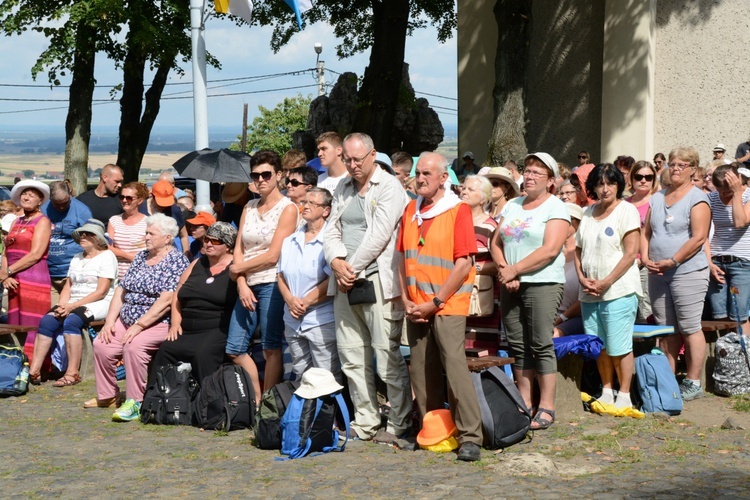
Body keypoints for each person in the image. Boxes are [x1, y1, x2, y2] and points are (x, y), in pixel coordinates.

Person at [323, 132, 412, 442]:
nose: (352, 165)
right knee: (351, 355)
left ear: (373, 155)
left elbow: (379, 234)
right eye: (347, 159)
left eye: (357, 159)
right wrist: (336, 263)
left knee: (386, 355)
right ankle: (365, 419)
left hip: (377, 279)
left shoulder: (389, 187)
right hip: (344, 282)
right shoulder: (343, 188)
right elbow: (330, 230)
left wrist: (351, 268)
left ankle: (398, 422)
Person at [399, 152, 482, 461]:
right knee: (421, 370)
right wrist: (406, 298)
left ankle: (470, 436)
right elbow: (402, 257)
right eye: (418, 173)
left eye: (427, 174)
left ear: (444, 178)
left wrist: (435, 302)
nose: (420, 178)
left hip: (447, 302)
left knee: (454, 365)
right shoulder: (410, 209)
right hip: (416, 304)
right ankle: (430, 430)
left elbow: (463, 264)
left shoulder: (458, 210)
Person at [490, 152, 570, 430]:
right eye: (528, 170)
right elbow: (495, 241)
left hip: (542, 283)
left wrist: (515, 270)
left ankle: (547, 406)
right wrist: (504, 269)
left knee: (540, 344)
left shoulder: (556, 207)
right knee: (518, 345)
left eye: (538, 171)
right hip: (511, 283)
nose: (531, 175)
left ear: (550, 181)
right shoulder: (513, 205)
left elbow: (549, 250)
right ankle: (525, 402)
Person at [89, 213, 189, 420]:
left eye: (151, 233)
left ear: (168, 238)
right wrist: (109, 321)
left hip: (157, 322)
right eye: (146, 232)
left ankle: (136, 401)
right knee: (102, 344)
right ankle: (108, 395)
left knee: (133, 346)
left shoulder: (176, 261)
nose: (146, 237)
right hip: (126, 319)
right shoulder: (142, 257)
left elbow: (165, 301)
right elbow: (121, 291)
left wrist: (140, 325)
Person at [641, 147, 710, 402]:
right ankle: (669, 381)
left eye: (683, 164)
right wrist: (645, 257)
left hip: (688, 271)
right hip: (658, 272)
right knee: (666, 328)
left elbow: (699, 237)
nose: (676, 168)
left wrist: (673, 260)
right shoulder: (657, 197)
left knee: (690, 326)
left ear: (693, 169)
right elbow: (646, 232)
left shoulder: (698, 197)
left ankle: (693, 381)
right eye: (673, 164)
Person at [226, 150, 298, 392]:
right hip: (247, 283)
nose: (260, 180)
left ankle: (269, 402)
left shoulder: (288, 208)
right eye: (255, 175)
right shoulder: (249, 206)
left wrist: (237, 269)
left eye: (266, 174)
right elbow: (239, 247)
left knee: (270, 346)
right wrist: (241, 282)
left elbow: (273, 255)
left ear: (279, 175)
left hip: (272, 282)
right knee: (234, 348)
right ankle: (257, 397)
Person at [575, 164, 642, 409]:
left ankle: (624, 395)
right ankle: (606, 390)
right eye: (599, 184)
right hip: (590, 291)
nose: (605, 189)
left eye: (610, 183)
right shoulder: (586, 212)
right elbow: (578, 250)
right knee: (599, 344)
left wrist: (606, 282)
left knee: (619, 344)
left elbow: (631, 253)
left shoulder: (627, 210)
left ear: (618, 185)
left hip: (618, 290)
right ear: (592, 187)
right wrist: (582, 278)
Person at [28, 219, 117, 387]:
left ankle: (72, 372)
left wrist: (71, 307)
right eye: (81, 233)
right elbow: (68, 285)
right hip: (74, 301)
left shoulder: (107, 257)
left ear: (97, 238)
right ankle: (35, 370)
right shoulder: (77, 257)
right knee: (47, 321)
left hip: (100, 302)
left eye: (88, 234)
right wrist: (62, 304)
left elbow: (101, 291)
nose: (83, 236)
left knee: (72, 321)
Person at [150, 222, 239, 386]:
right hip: (187, 328)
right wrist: (175, 323)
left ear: (228, 246)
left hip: (216, 328)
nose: (209, 244)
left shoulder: (235, 268)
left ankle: (206, 401)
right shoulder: (196, 264)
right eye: (207, 239)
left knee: (202, 354)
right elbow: (178, 293)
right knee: (166, 351)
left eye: (216, 241)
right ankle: (158, 402)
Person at [277, 188, 341, 383]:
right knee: (302, 374)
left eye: (313, 203)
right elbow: (280, 275)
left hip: (320, 319)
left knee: (327, 376)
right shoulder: (290, 240)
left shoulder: (331, 241)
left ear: (326, 211)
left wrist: (305, 302)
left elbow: (333, 279)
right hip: (293, 319)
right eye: (305, 202)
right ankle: (306, 413)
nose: (306, 206)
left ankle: (331, 413)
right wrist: (290, 301)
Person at [1, 180, 52, 365]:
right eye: (24, 193)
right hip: (13, 277)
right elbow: (6, 250)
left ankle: (35, 365)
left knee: (33, 322)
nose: (26, 197)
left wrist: (7, 271)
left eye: (32, 194)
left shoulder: (43, 221)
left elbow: (36, 254)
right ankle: (14, 364)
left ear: (40, 201)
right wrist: (4, 274)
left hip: (33, 277)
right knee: (16, 321)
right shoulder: (16, 220)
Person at [705, 163, 750, 335]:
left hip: (742, 264)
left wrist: (737, 193)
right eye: (720, 190)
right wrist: (709, 262)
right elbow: (702, 235)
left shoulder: (747, 196)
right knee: (720, 316)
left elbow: (740, 222)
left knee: (739, 316)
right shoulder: (712, 199)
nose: (724, 195)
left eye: (728, 190)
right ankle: (727, 358)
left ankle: (743, 358)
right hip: (717, 261)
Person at [461, 175, 500, 336]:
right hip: (455, 296)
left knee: (480, 353)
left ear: (484, 199)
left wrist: (472, 268)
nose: (464, 192)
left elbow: (499, 264)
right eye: (463, 188)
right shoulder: (453, 222)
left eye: (471, 189)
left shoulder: (490, 227)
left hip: (481, 299)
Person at [43, 180, 92, 299]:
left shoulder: (82, 211)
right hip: (48, 273)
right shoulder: (42, 210)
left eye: (65, 203)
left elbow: (91, 242)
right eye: (57, 204)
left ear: (70, 195)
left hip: (72, 273)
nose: (61, 207)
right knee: (51, 314)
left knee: (70, 312)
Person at [626, 161, 658, 323]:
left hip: (647, 262)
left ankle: (649, 347)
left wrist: (642, 258)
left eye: (648, 177)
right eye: (639, 177)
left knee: (645, 307)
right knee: (628, 308)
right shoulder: (624, 204)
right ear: (632, 179)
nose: (643, 180)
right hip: (625, 262)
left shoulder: (658, 202)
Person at [553, 203, 584, 337]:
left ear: (577, 224)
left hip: (577, 317)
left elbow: (584, 299)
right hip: (550, 316)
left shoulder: (584, 255)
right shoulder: (550, 252)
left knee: (552, 335)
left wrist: (561, 319)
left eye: (566, 220)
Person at [108, 182, 148, 280]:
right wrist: (129, 256)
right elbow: (108, 247)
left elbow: (149, 251)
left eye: (129, 198)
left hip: (140, 275)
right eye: (122, 197)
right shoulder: (114, 221)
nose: (124, 200)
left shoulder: (148, 222)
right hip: (117, 276)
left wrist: (118, 253)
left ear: (139, 201)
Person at [144, 180, 189, 254]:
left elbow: (183, 235)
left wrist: (186, 252)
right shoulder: (140, 208)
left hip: (168, 254)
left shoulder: (174, 210)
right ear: (152, 196)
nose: (164, 206)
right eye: (161, 201)